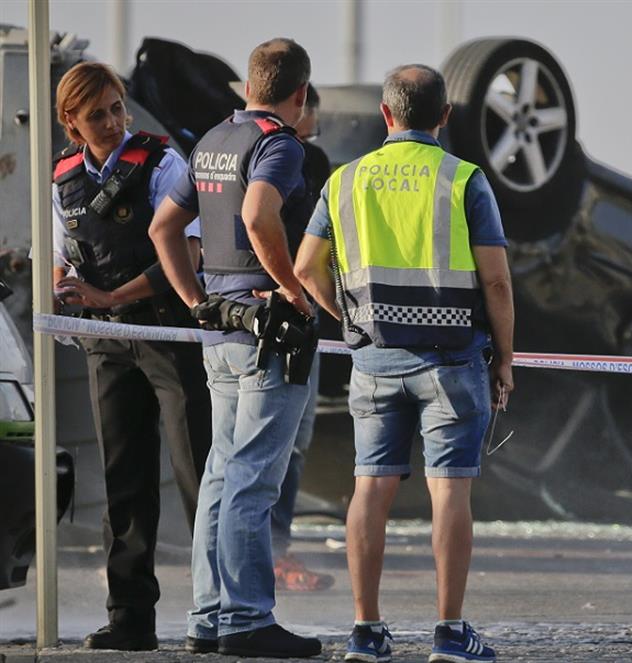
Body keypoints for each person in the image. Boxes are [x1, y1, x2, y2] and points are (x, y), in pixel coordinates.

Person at [294, 63, 514, 663]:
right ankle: (449, 631)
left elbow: (304, 266)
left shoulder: (343, 182)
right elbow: (495, 281)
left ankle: (366, 631)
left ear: (385, 115)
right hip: (452, 361)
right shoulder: (464, 179)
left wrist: (350, 320)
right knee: (451, 493)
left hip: (375, 359)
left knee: (371, 488)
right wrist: (506, 358)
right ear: (445, 117)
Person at [148, 38, 321, 659]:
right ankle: (248, 618)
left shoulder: (212, 141)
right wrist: (292, 290)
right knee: (251, 478)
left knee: (222, 474)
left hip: (219, 329)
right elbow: (257, 215)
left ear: (247, 86)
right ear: (299, 94)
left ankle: (209, 616)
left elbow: (163, 227)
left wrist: (196, 299)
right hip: (268, 333)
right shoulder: (280, 144)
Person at [49, 61, 211, 652]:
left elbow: (188, 252)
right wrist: (61, 285)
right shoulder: (63, 178)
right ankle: (130, 618)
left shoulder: (163, 163)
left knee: (197, 476)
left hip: (168, 335)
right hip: (107, 344)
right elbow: (62, 253)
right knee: (125, 484)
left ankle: (217, 611)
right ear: (71, 122)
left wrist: (112, 295)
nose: (114, 121)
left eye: (117, 107)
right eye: (98, 114)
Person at [271, 83, 334, 592]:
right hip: (285, 312)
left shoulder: (310, 157)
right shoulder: (299, 156)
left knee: (292, 439)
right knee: (279, 440)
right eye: (311, 104)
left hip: (291, 314)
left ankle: (273, 549)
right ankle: (270, 553)